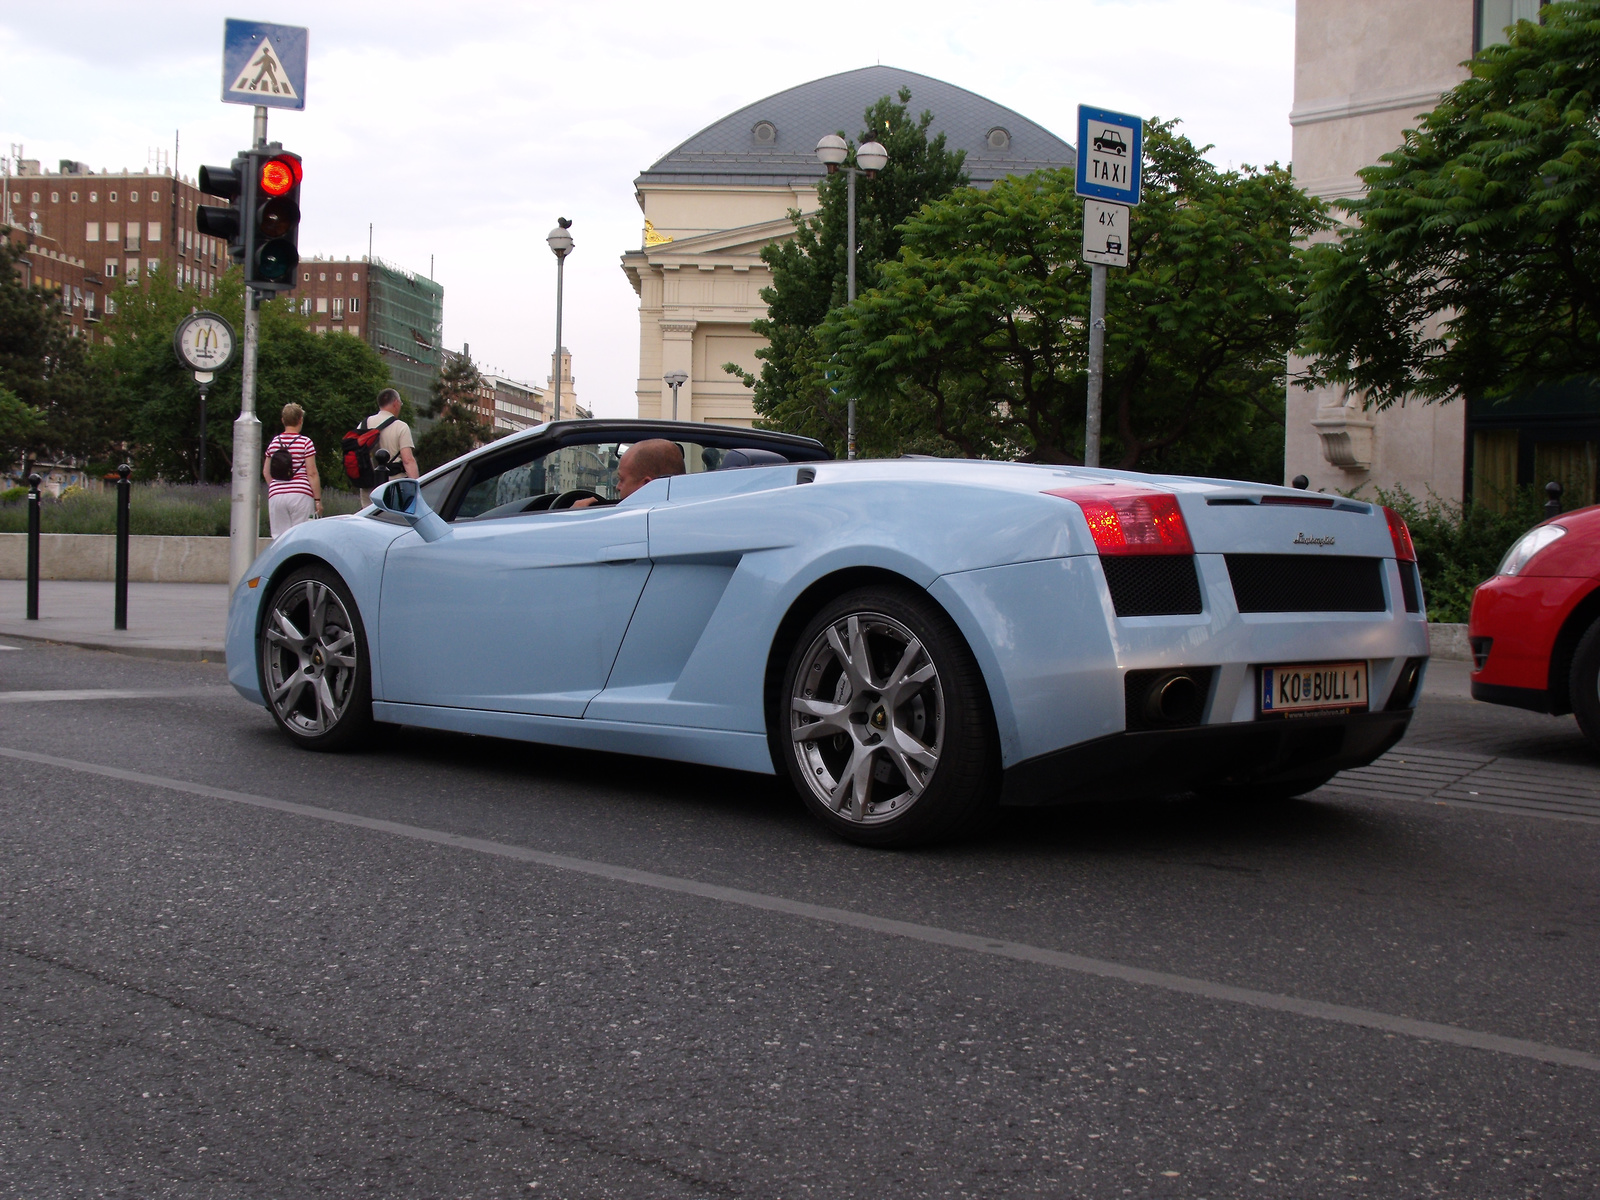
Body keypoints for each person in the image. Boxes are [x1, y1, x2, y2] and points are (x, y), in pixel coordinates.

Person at [262, 403, 322, 537]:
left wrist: (276, 487)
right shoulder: (306, 442)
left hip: (276, 495)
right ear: (300, 420)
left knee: (279, 538)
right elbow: (312, 473)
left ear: (283, 420)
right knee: (300, 536)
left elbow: (266, 472)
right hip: (300, 495)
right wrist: (317, 500)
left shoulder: (275, 442)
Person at [572, 439, 684, 507]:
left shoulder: (630, 525)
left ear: (646, 485)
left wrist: (574, 520)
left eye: (621, 480)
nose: (617, 487)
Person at [357, 388, 419, 507]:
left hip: (368, 484)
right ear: (395, 403)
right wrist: (417, 486)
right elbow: (408, 460)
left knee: (370, 520)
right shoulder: (401, 427)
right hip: (393, 484)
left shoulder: (363, 424)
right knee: (392, 521)